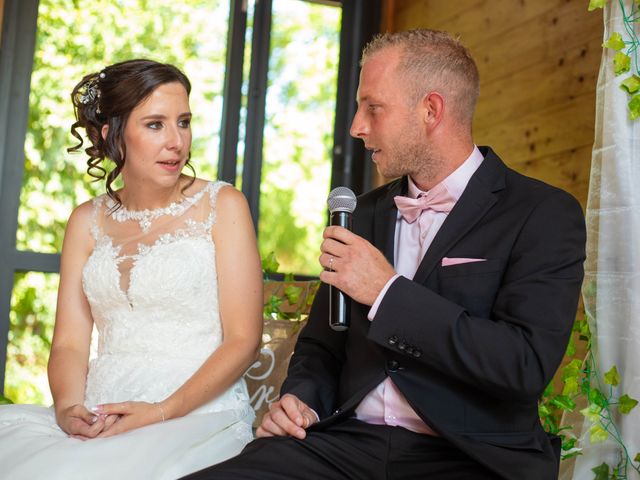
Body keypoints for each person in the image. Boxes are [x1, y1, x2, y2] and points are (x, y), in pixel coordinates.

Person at [184, 29, 586, 480]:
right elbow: (322, 345)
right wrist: (302, 401)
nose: (356, 126)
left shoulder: (542, 213)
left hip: (469, 457)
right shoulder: (363, 212)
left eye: (373, 107)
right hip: (345, 446)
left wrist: (386, 292)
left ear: (430, 110)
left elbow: (523, 365)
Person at [0, 59, 263, 479]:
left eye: (184, 122)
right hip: (100, 412)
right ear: (112, 134)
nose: (176, 141)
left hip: (194, 415)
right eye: (155, 124)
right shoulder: (84, 221)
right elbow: (69, 343)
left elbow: (244, 340)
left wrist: (161, 411)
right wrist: (69, 410)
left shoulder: (224, 206)